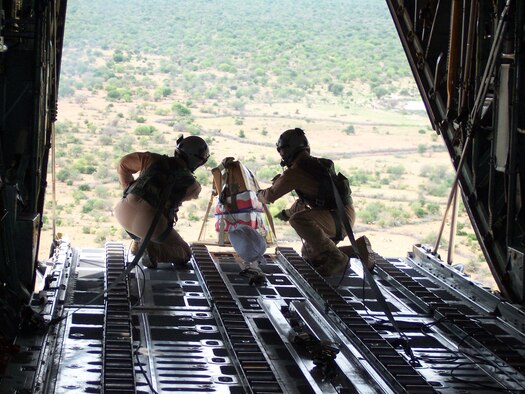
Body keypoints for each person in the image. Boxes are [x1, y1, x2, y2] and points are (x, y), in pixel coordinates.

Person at [256, 128, 375, 276]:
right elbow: (304, 201)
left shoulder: (296, 172)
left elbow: (269, 197)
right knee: (309, 255)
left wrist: (258, 194)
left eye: (281, 152)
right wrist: (286, 213)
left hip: (337, 217)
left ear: (287, 151)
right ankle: (358, 249)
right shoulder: (314, 165)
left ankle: (337, 258)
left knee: (298, 220)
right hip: (342, 215)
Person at [114, 135, 209, 268]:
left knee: (146, 229)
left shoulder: (151, 159)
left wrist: (128, 190)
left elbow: (123, 163)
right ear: (198, 162)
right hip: (149, 223)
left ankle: (138, 243)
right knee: (185, 253)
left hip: (122, 212)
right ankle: (153, 252)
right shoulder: (193, 186)